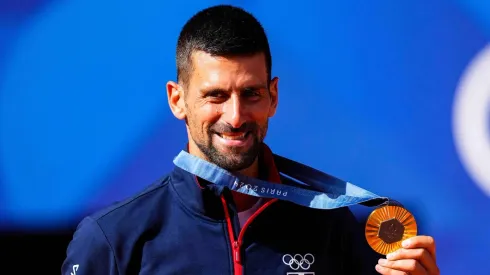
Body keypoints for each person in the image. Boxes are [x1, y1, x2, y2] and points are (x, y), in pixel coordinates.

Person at [61, 4, 440, 275]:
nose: (236, 116)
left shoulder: (330, 226)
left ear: (273, 96)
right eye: (216, 96)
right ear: (178, 100)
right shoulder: (113, 238)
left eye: (251, 94)